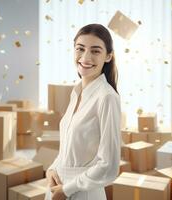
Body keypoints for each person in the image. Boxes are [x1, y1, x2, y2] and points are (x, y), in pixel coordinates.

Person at [45, 23, 121, 200]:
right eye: (80, 49)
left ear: (108, 56)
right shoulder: (76, 92)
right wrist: (51, 169)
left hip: (83, 193)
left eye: (95, 51)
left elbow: (109, 166)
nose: (85, 57)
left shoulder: (107, 97)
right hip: (57, 187)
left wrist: (67, 190)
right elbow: (68, 150)